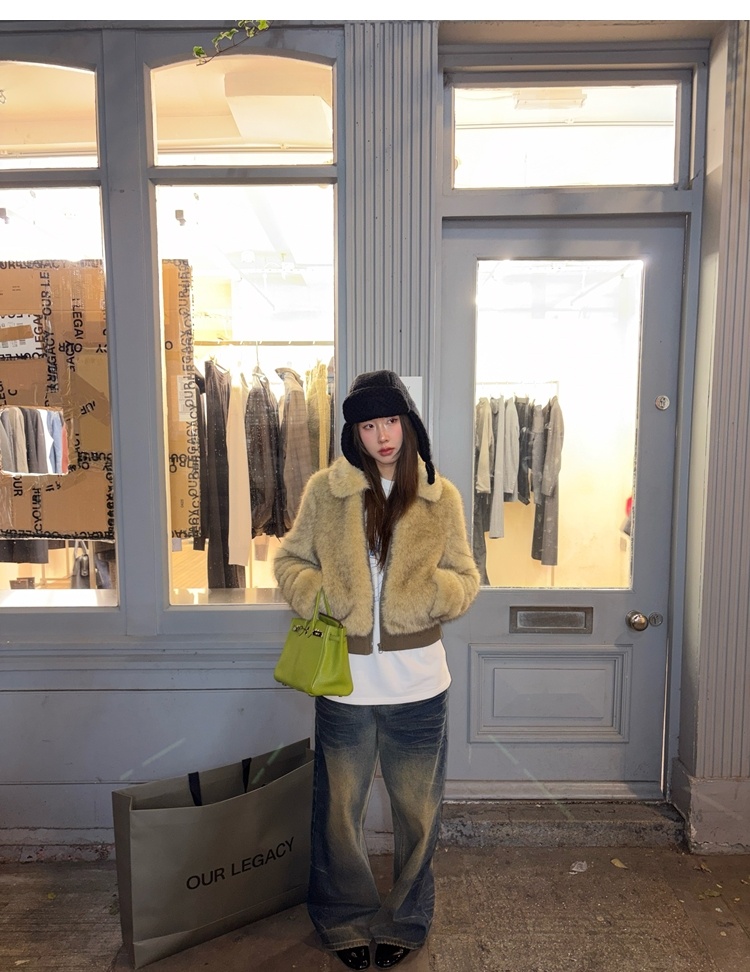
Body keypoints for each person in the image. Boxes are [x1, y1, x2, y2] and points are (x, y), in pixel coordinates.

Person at [274, 370, 480, 970]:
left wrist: (430, 594)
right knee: (339, 814)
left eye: (391, 421)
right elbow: (289, 560)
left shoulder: (440, 497)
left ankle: (406, 918)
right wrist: (323, 595)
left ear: (408, 425)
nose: (383, 436)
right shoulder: (327, 492)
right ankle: (343, 917)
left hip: (421, 685)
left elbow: (467, 578)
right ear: (354, 434)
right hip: (345, 685)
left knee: (418, 814)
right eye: (369, 425)